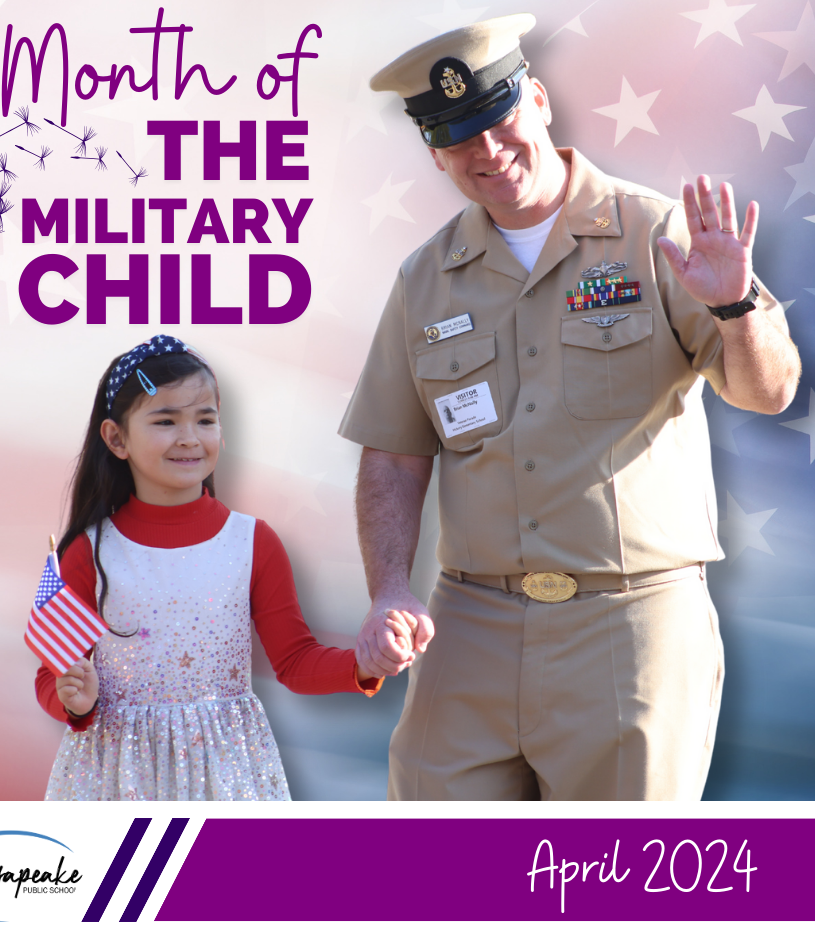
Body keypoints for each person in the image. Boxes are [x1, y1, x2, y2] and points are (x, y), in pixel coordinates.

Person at [339, 14, 801, 800]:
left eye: (498, 116)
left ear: (541, 101)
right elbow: (394, 452)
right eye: (458, 134)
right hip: (471, 623)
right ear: (434, 151)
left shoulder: (657, 232)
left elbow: (769, 392)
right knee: (432, 885)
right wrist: (389, 587)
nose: (487, 150)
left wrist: (735, 311)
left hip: (630, 627)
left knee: (615, 892)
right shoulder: (425, 279)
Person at [36, 335, 383, 801]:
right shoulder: (87, 552)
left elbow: (295, 661)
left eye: (205, 419)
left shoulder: (253, 542)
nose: (189, 438)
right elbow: (50, 676)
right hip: (117, 781)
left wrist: (362, 665)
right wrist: (72, 701)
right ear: (116, 438)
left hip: (228, 775)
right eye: (165, 420)